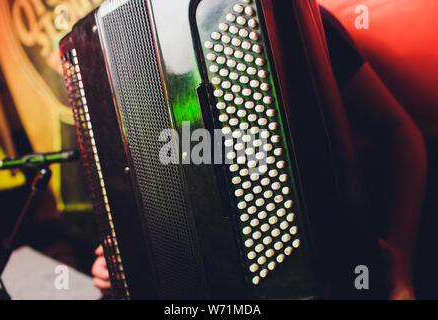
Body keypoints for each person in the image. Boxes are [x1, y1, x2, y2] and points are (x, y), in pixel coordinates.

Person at [92, 4, 427, 300]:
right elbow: (157, 183)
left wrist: (400, 256)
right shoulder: (126, 53)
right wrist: (124, 260)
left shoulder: (294, 16)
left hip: (319, 270)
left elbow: (398, 134)